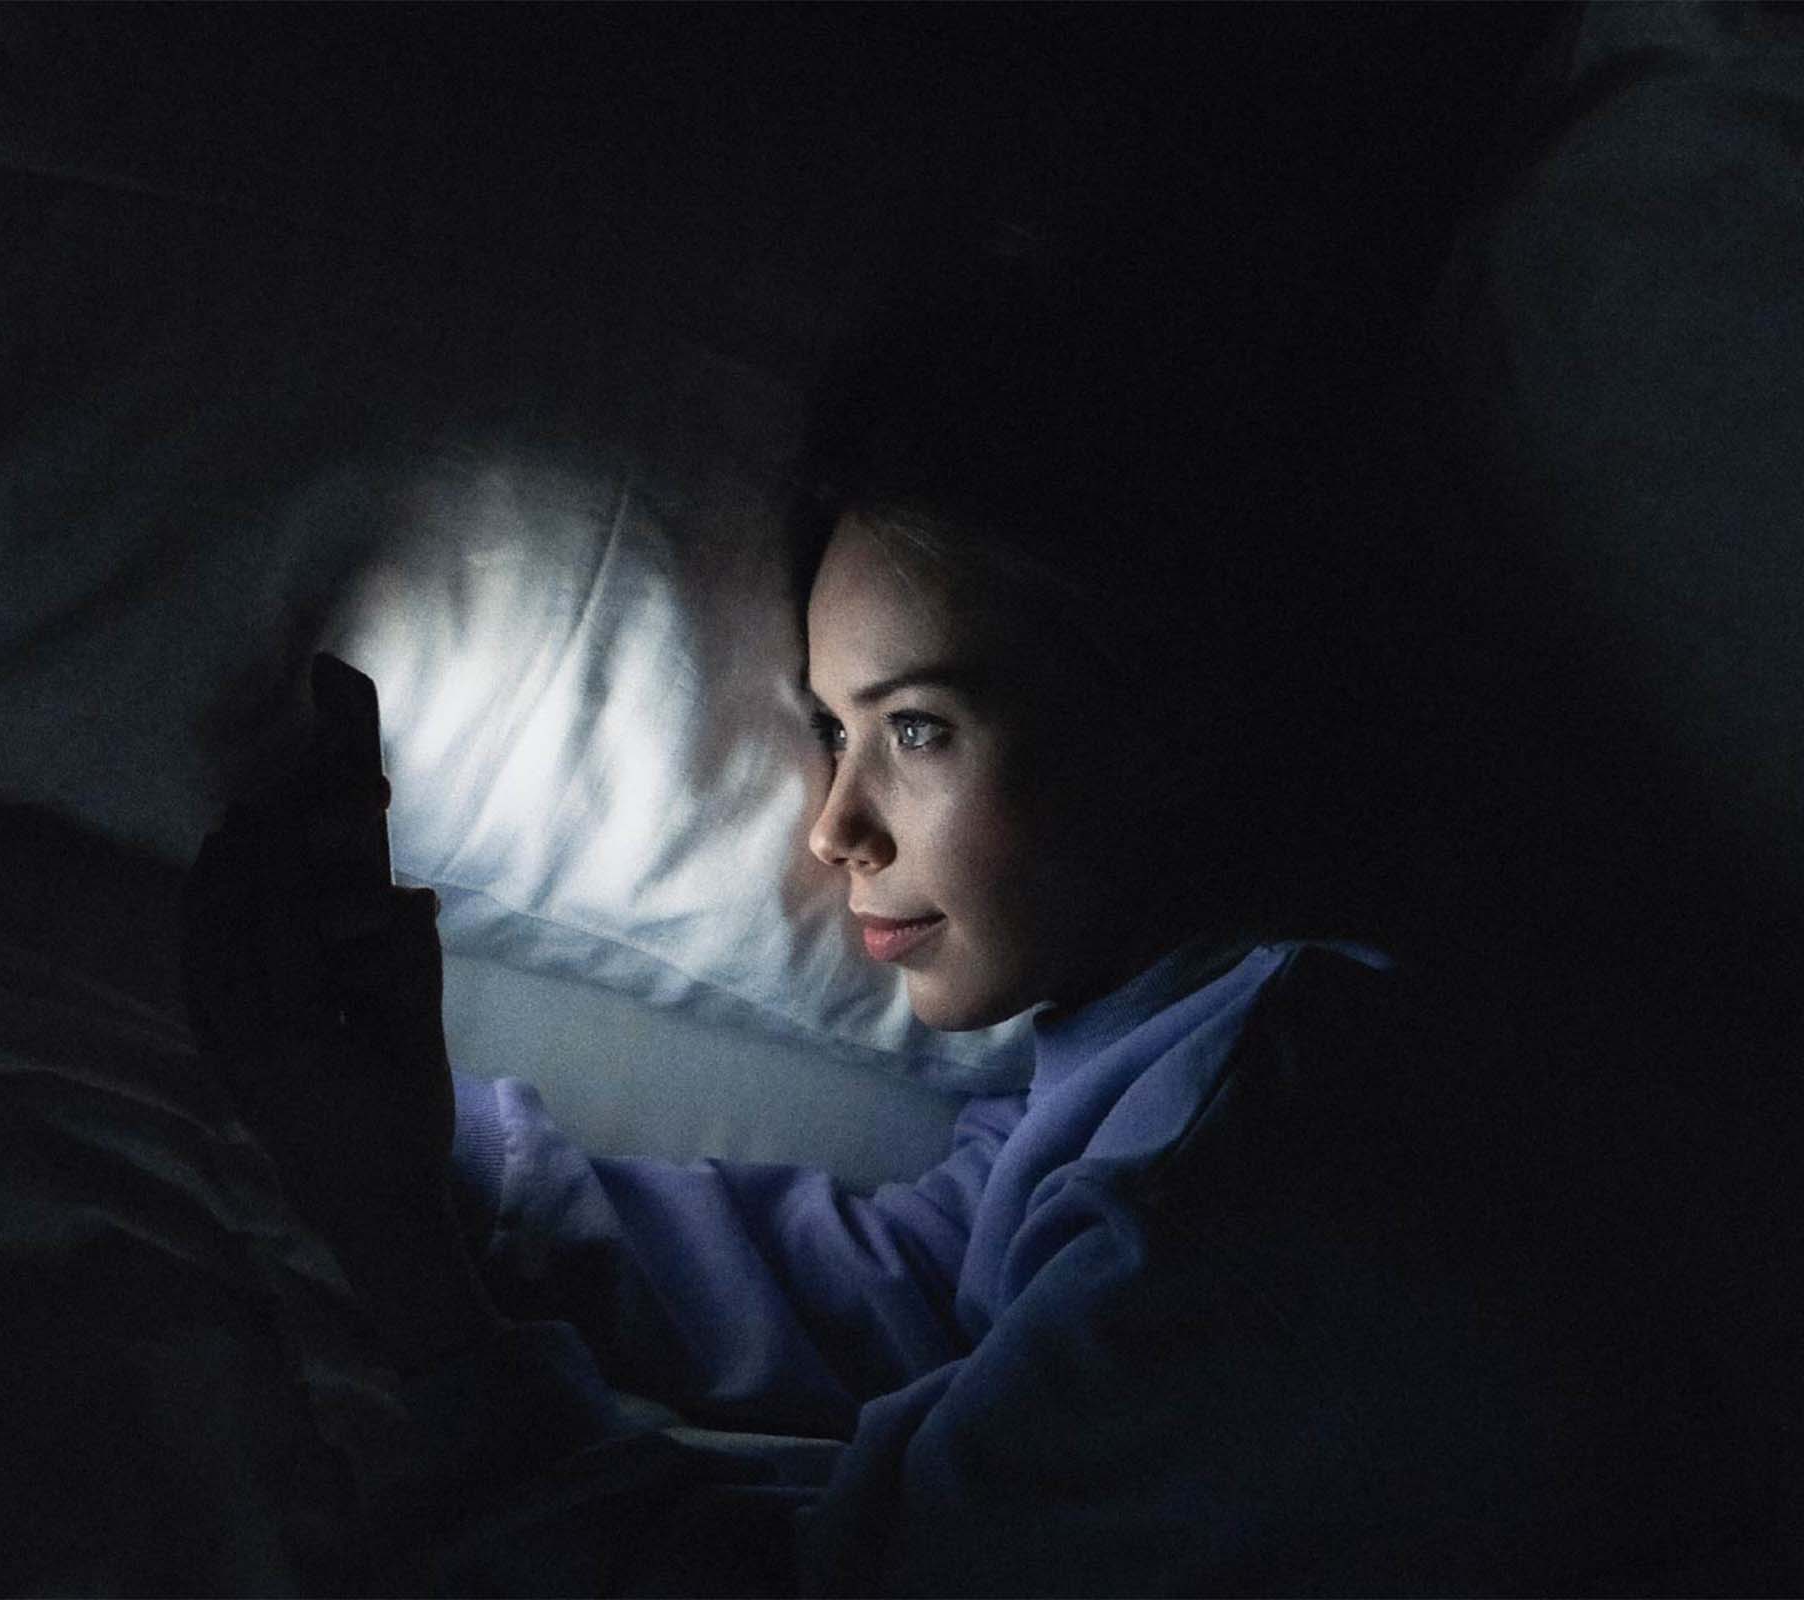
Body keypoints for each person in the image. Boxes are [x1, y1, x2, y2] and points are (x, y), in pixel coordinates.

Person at [182, 220, 1725, 1596]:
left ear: (1174, 712)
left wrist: (400, 1259)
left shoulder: (1261, 1146)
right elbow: (929, 1287)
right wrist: (444, 1158)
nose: (836, 827)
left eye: (918, 729)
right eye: (829, 732)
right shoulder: (1173, 1047)